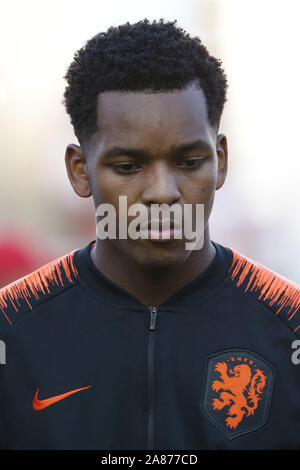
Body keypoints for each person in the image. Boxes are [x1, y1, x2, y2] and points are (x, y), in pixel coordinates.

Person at [0, 18, 299, 450]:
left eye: (189, 161)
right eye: (128, 166)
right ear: (80, 171)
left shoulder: (289, 326)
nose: (163, 193)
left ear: (220, 160)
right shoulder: (12, 330)